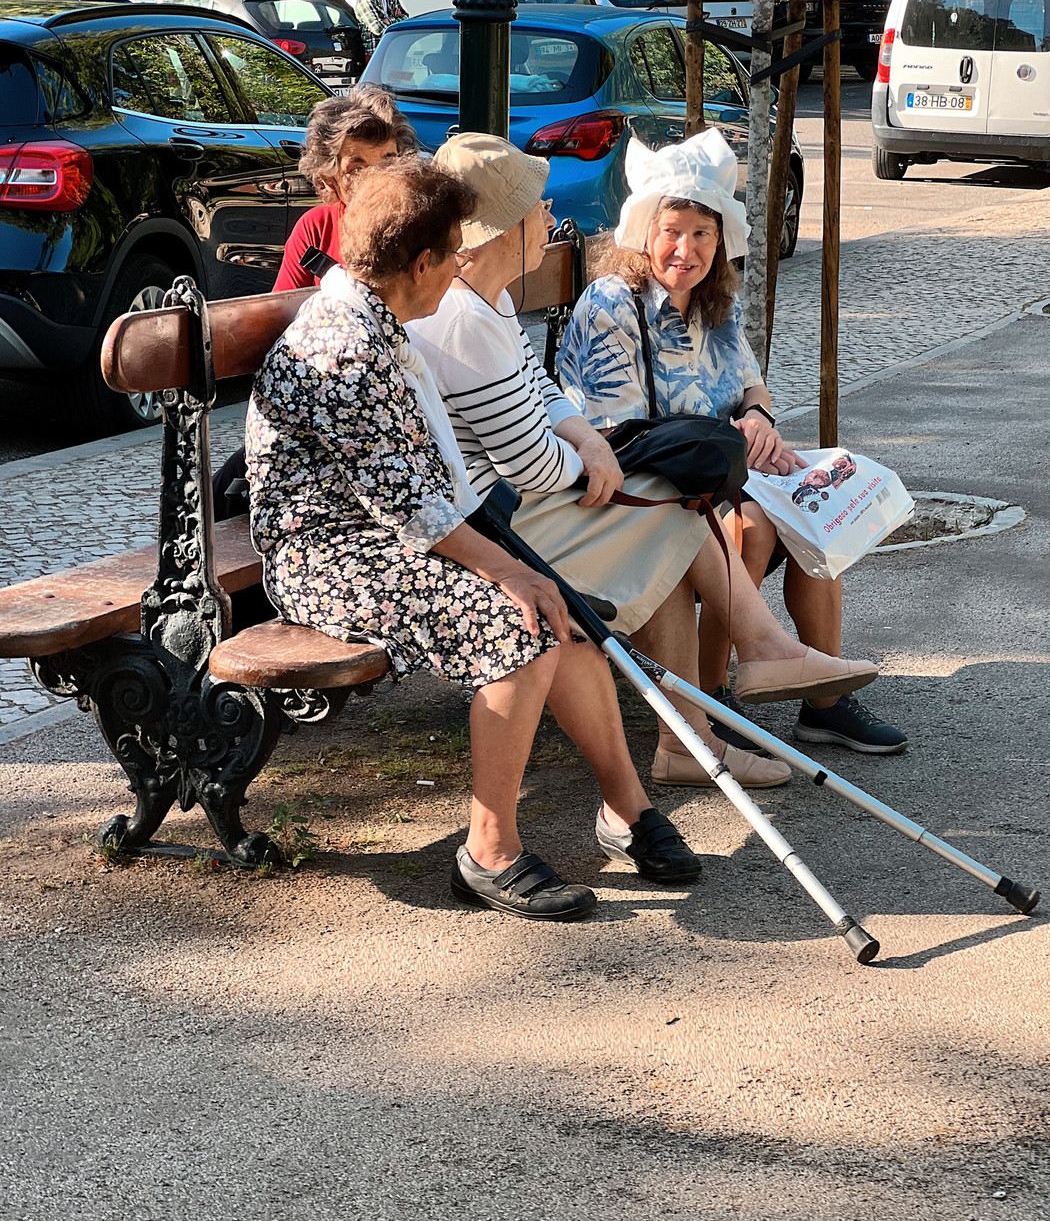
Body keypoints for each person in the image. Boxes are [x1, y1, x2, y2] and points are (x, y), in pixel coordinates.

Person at [245, 156, 705, 919]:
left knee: (557, 612)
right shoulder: (345, 349)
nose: (461, 266)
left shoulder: (376, 315)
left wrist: (524, 568)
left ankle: (626, 808)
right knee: (518, 624)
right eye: (454, 253)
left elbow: (424, 498)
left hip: (388, 534)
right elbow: (414, 511)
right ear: (421, 262)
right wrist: (513, 575)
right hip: (327, 556)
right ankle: (488, 853)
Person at [409, 134, 878, 796]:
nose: (550, 217)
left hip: (513, 498)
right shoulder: (469, 317)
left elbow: (542, 397)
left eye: (702, 234)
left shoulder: (494, 301)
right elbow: (531, 462)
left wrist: (593, 445)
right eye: (536, 208)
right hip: (486, 524)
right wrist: (593, 459)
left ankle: (744, 695)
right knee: (680, 511)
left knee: (709, 508)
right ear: (505, 229)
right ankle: (722, 700)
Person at [557, 128, 908, 755]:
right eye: (673, 230)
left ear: (721, 243)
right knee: (753, 525)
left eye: (702, 234)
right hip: (635, 487)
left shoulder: (717, 302)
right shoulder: (614, 303)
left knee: (809, 513)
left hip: (715, 474)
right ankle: (716, 697)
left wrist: (757, 422)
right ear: (644, 230)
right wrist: (734, 440)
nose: (685, 249)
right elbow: (622, 434)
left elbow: (752, 387)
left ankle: (820, 703)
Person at [273, 89, 417, 293]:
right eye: (356, 170)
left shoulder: (421, 225)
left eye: (388, 164)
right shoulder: (316, 229)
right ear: (329, 179)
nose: (375, 179)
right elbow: (283, 314)